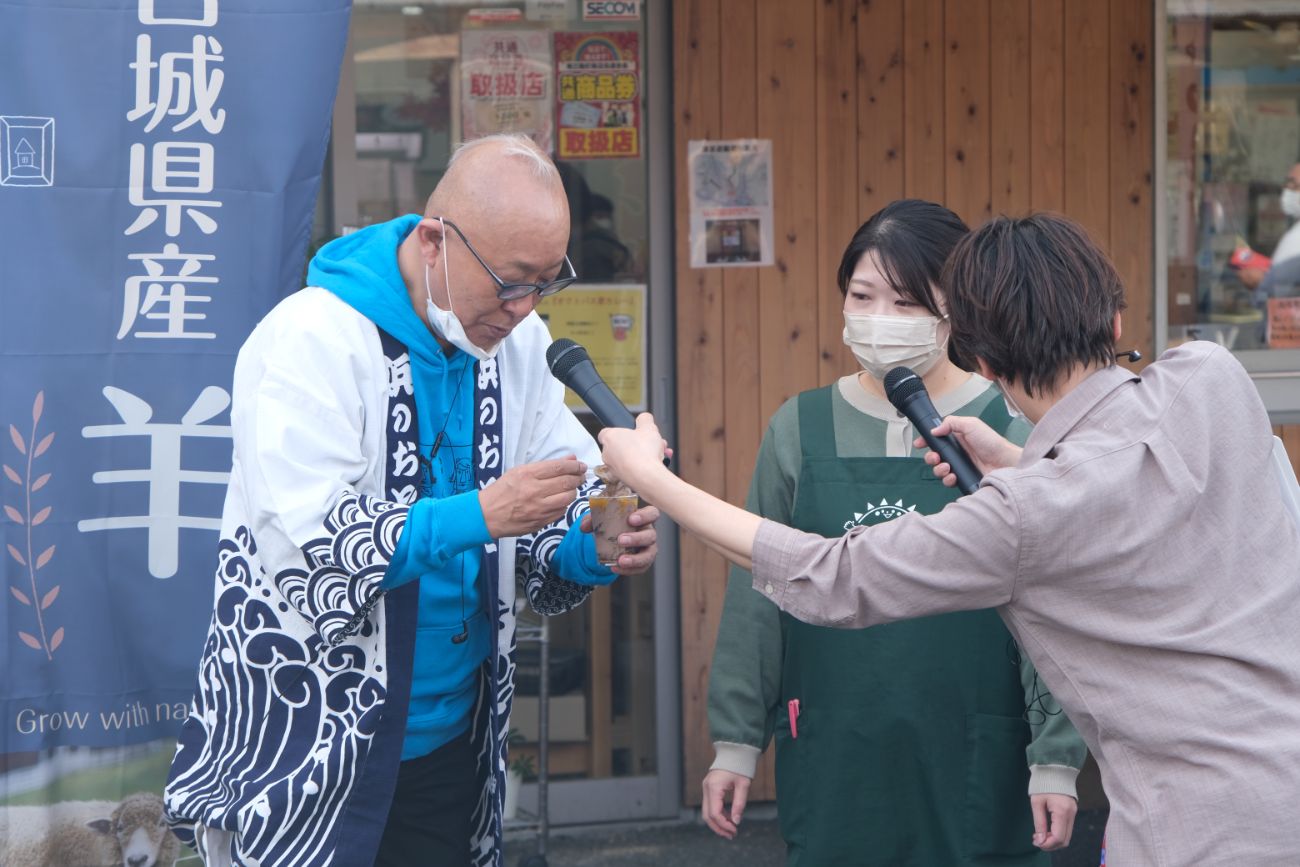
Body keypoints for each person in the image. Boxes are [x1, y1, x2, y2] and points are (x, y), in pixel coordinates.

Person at [599, 213, 1300, 865]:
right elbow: (1144, 499)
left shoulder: (1020, 517)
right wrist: (1026, 461)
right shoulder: (1213, 377)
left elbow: (830, 575)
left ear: (983, 361)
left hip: (1200, 832)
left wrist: (651, 479)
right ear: (1114, 316)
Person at [163, 134, 660, 867]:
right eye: (510, 281)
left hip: (449, 737)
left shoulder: (518, 348)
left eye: (545, 284)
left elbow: (551, 503)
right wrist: (482, 513)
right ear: (434, 240)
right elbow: (310, 554)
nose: (524, 309)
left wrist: (597, 543)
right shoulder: (312, 337)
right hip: (307, 746)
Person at [702, 201, 1085, 865]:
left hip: (976, 749)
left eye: (908, 303)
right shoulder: (799, 427)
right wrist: (735, 742)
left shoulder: (1009, 429)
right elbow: (756, 590)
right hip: (834, 749)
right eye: (863, 295)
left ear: (955, 313)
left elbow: (1054, 603)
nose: (880, 319)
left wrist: (1055, 758)